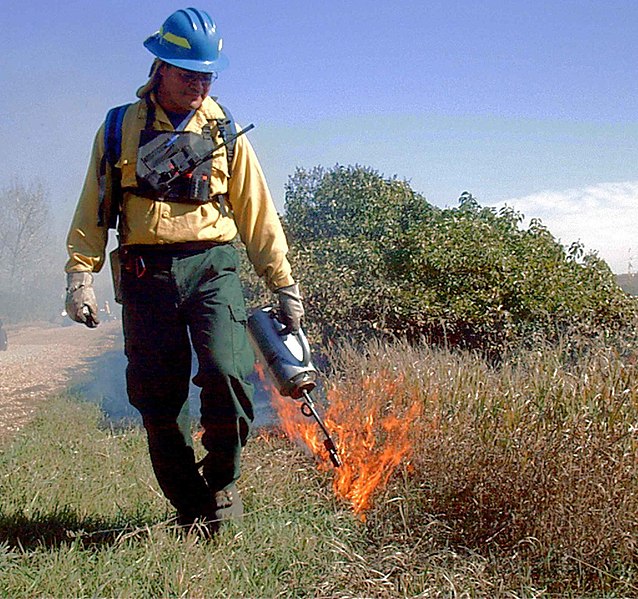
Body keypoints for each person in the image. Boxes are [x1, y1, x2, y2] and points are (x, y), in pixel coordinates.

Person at [64, 8, 304, 531]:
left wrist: (282, 283)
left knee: (228, 372)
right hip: (145, 272)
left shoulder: (225, 128)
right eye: (188, 72)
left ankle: (221, 481)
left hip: (212, 267)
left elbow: (256, 211)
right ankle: (190, 505)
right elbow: (93, 208)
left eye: (207, 74)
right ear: (159, 67)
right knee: (157, 396)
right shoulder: (117, 128)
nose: (199, 83)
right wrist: (80, 276)